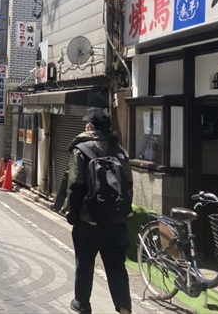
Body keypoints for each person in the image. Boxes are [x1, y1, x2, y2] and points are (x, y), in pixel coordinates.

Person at [58, 108, 133, 314]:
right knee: (116, 265)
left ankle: (82, 304)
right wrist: (121, 212)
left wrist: (72, 215)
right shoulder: (120, 151)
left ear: (90, 126)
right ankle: (124, 308)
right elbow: (128, 185)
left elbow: (75, 184)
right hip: (116, 221)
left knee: (85, 263)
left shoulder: (81, 149)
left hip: (88, 220)